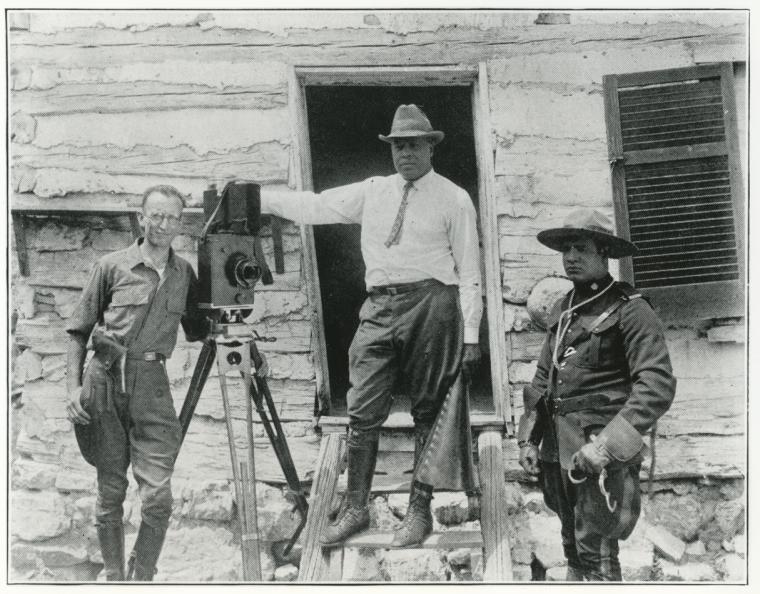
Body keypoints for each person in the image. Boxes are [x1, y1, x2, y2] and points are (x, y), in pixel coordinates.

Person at [262, 104, 482, 547]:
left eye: (415, 145)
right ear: (391, 150)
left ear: (430, 147)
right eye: (399, 146)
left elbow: (470, 269)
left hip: (432, 303)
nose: (406, 153)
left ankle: (419, 513)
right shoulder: (373, 191)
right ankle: (356, 509)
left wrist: (472, 333)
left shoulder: (454, 197)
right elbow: (316, 204)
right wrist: (258, 197)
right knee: (362, 406)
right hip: (380, 306)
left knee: (428, 407)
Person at [518, 209, 676, 581]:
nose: (570, 257)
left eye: (581, 248)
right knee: (572, 546)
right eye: (565, 249)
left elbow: (656, 385)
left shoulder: (631, 310)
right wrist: (529, 439)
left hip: (596, 451)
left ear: (603, 253)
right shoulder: (564, 308)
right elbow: (543, 378)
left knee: (599, 556)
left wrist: (605, 448)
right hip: (558, 451)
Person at [65, 185, 209, 581]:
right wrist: (72, 389)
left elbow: (198, 329)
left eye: (172, 218)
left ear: (181, 224)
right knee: (110, 490)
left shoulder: (184, 273)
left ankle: (142, 577)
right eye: (156, 216)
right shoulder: (111, 266)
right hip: (105, 382)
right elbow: (78, 331)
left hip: (152, 386)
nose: (164, 225)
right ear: (141, 218)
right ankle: (114, 578)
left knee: (159, 496)